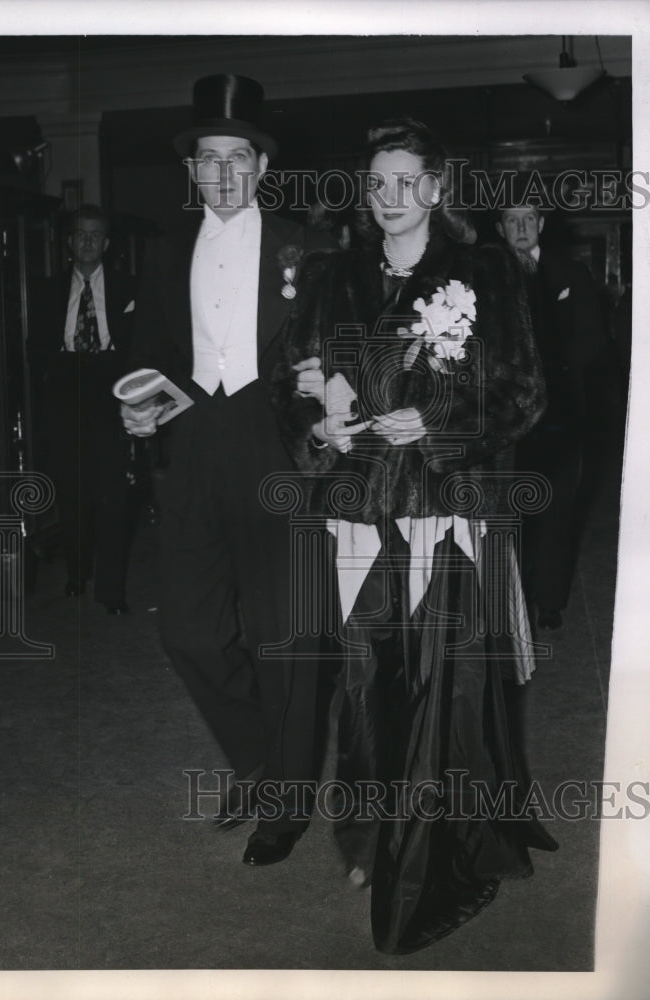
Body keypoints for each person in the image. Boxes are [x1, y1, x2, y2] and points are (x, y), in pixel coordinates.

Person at [275, 118, 558, 953]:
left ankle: (439, 846)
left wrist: (432, 421)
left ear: (435, 188)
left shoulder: (484, 272)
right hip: (360, 508)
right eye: (376, 183)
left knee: (445, 687)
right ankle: (370, 838)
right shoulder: (332, 279)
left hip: (445, 504)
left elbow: (523, 394)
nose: (389, 198)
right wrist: (317, 428)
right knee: (367, 687)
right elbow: (289, 386)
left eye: (405, 181)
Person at [120, 75, 336, 866]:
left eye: (236, 157)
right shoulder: (161, 251)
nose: (221, 174)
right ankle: (258, 758)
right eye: (207, 159)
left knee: (287, 637)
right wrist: (140, 404)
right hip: (192, 447)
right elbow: (148, 360)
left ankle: (284, 796)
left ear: (262, 166)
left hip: (278, 447)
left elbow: (340, 357)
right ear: (191, 170)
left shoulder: (308, 249)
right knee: (187, 630)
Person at [495, 198, 606, 630]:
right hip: (506, 420)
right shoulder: (489, 277)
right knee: (510, 511)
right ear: (501, 229)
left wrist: (547, 371)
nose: (521, 228)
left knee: (558, 508)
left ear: (541, 224)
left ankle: (550, 601)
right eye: (511, 221)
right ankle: (511, 600)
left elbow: (594, 341)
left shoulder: (572, 275)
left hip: (560, 414)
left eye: (528, 220)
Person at [28, 204, 137, 614]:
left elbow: (140, 346)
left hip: (111, 386)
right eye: (81, 234)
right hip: (64, 387)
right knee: (72, 488)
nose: (88, 241)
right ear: (69, 242)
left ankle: (111, 590)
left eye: (96, 234)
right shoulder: (45, 289)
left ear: (106, 244)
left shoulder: (129, 287)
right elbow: (34, 347)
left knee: (112, 494)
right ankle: (77, 572)